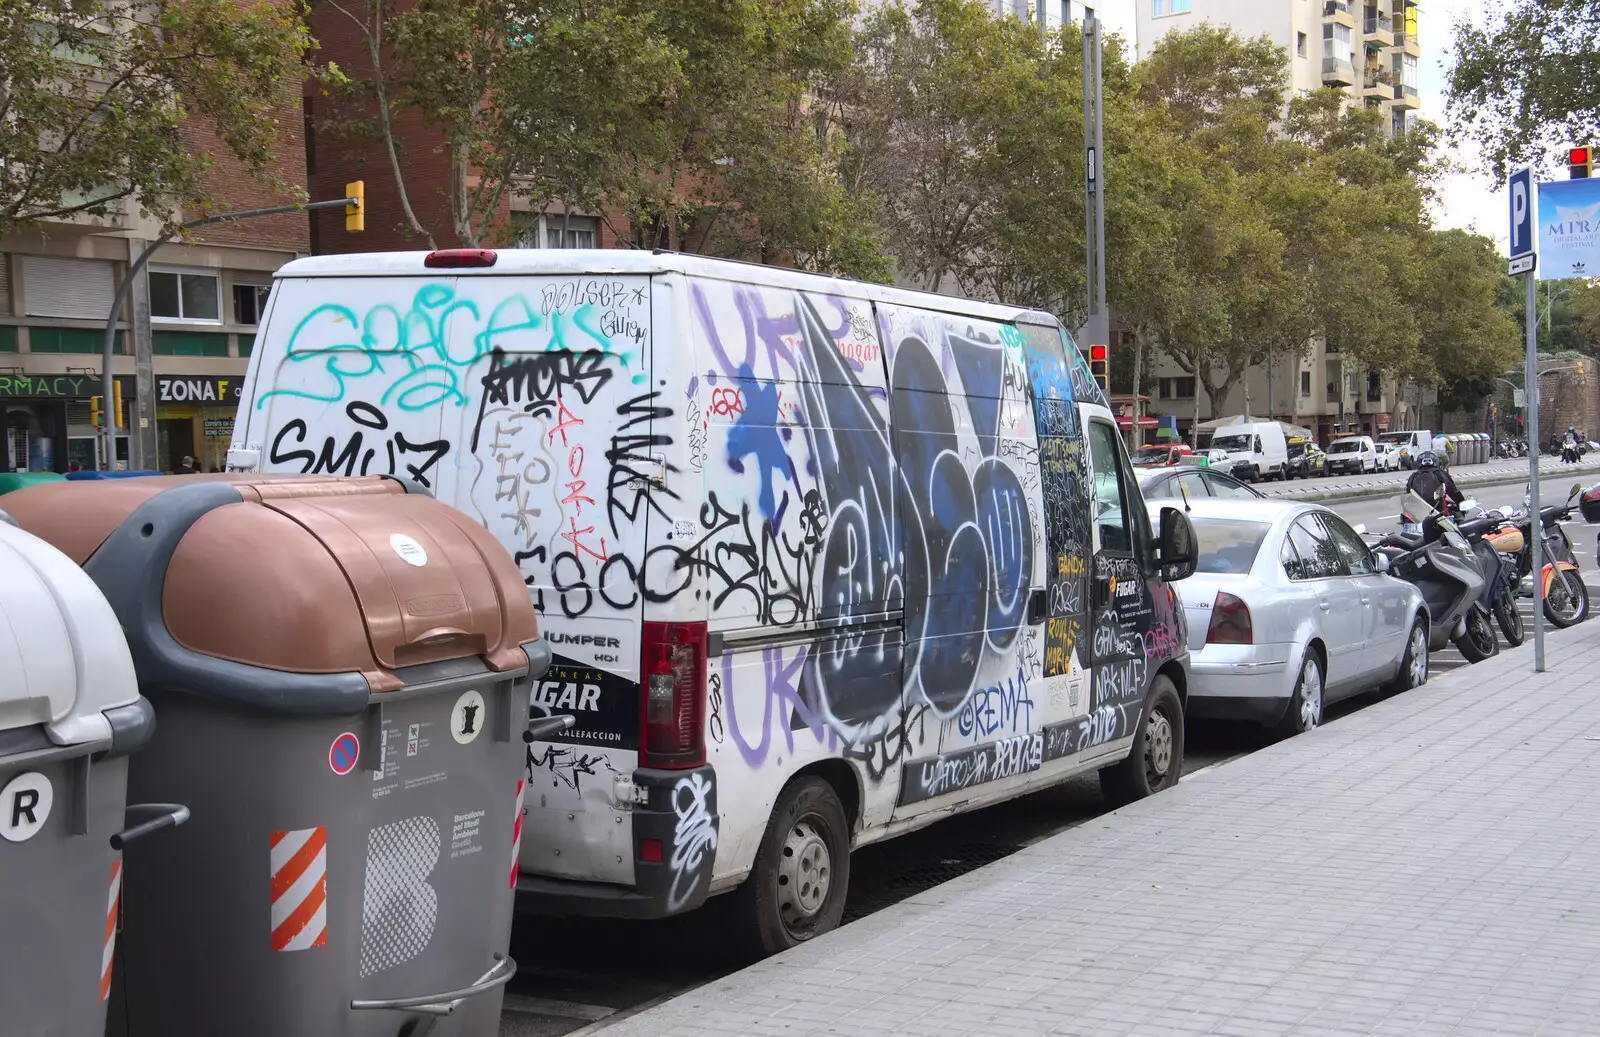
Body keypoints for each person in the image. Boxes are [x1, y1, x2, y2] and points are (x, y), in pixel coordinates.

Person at [1406, 450, 1464, 516]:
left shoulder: (1413, 476)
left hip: (1417, 514)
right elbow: (1453, 492)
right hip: (1436, 513)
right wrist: (1462, 505)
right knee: (1457, 516)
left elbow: (1408, 495)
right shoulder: (1440, 474)